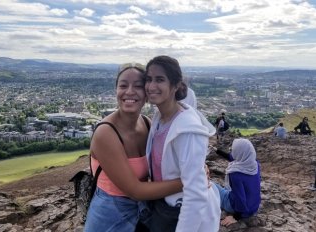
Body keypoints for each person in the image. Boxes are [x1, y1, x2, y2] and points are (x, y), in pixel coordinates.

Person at [84, 62, 183, 232]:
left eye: (138, 86)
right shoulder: (106, 133)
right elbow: (134, 190)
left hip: (143, 211)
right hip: (110, 216)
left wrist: (196, 166)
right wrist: (189, 180)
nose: (129, 91)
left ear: (146, 92)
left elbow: (169, 159)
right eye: (123, 85)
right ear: (116, 90)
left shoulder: (147, 123)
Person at [144, 55, 221, 232]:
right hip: (165, 206)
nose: (151, 86)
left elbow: (196, 193)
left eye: (160, 80)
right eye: (148, 79)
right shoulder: (160, 118)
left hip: (180, 212)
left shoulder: (187, 129)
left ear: (176, 85)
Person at [210, 138, 261, 227]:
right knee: (229, 188)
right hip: (254, 206)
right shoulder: (255, 164)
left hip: (239, 208)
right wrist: (217, 150)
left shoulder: (235, 174)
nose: (231, 151)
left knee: (210, 184)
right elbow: (234, 157)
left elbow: (240, 199)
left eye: (232, 150)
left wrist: (236, 217)